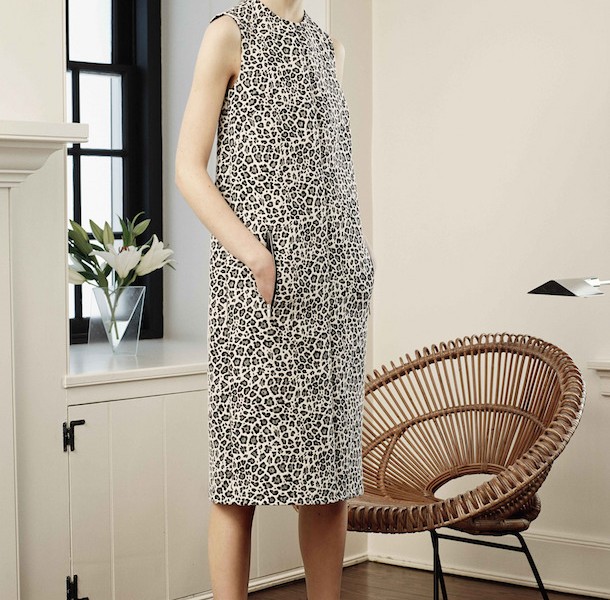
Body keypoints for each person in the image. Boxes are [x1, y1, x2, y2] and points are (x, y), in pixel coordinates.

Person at [175, 0, 374, 598]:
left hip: (334, 296)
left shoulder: (330, 48)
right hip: (255, 299)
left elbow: (332, 171)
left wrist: (357, 261)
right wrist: (255, 255)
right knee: (238, 482)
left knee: (329, 484)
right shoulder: (227, 33)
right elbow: (188, 168)